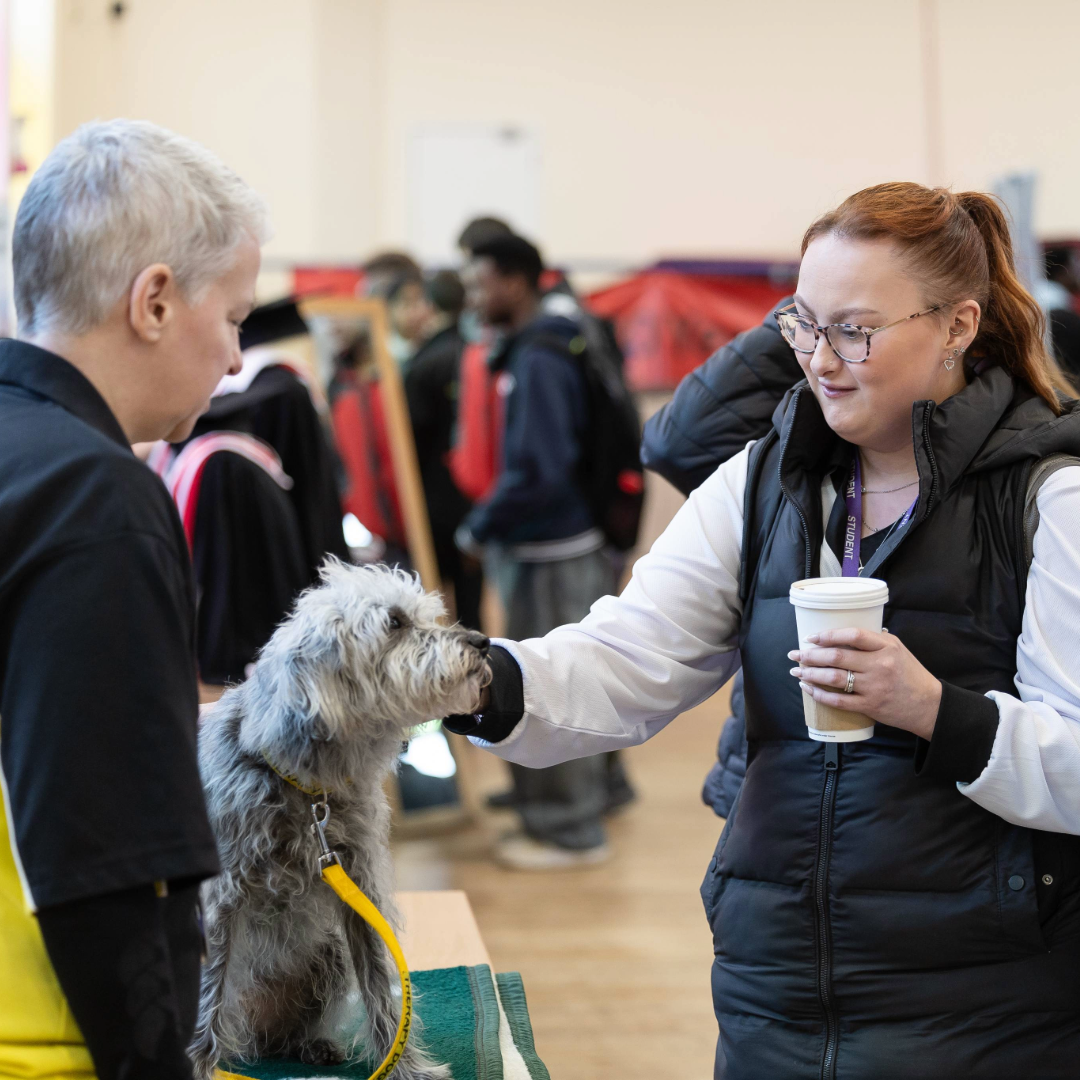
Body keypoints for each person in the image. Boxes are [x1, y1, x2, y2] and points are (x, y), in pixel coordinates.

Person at [450, 182, 1080, 1077]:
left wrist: (936, 710)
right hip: (775, 992)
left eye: (855, 330)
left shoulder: (1050, 500)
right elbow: (626, 657)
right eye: (802, 325)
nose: (821, 360)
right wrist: (464, 678)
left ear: (957, 325)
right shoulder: (762, 482)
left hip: (986, 1008)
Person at [0, 120, 267, 1078]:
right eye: (235, 317)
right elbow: (98, 846)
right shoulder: (96, 498)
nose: (237, 362)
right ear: (153, 300)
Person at [456, 233, 632, 869]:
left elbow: (539, 468)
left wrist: (480, 525)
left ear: (515, 281)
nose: (475, 296)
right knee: (580, 670)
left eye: (481, 283)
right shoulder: (550, 341)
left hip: (553, 548)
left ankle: (569, 827)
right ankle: (600, 792)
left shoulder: (541, 356)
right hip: (558, 542)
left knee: (556, 679)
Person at [641, 299, 800, 815]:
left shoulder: (1027, 467)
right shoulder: (797, 450)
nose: (824, 357)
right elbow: (677, 444)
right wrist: (803, 321)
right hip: (776, 784)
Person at [404, 269, 483, 629]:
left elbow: (408, 445)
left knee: (428, 609)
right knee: (471, 608)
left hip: (431, 503)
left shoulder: (423, 364)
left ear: (428, 305)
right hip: (473, 500)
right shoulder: (476, 354)